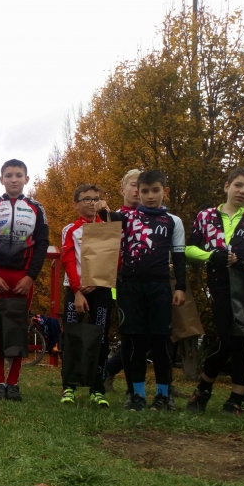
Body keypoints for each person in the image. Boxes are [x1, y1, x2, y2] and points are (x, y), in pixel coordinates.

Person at [98, 170, 186, 411]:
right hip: (129, 287)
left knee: (161, 342)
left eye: (155, 190)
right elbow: (104, 217)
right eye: (144, 191)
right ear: (138, 192)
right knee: (134, 342)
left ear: (164, 191)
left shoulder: (173, 221)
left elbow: (179, 256)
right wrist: (99, 206)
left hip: (159, 286)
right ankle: (136, 395)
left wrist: (181, 287)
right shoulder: (126, 219)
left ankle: (162, 394)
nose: (149, 196)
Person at [186, 166, 244, 414]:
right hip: (219, 286)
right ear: (227, 186)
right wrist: (212, 256)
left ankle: (235, 399)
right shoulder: (205, 216)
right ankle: (203, 389)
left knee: (242, 340)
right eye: (238, 185)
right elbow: (189, 249)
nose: (243, 191)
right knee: (226, 340)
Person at [0, 159, 49, 401]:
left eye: (19, 175)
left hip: (23, 277)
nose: (14, 179)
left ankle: (13, 383)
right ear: (1, 179)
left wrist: (30, 277)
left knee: (18, 326)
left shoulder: (37, 208)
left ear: (27, 179)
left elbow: (42, 245)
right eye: (9, 175)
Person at [59, 184, 114, 407]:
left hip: (101, 290)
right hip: (75, 290)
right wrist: (77, 290)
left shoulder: (108, 227)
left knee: (101, 338)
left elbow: (114, 260)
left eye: (96, 198)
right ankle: (69, 387)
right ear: (76, 205)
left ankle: (97, 388)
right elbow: (68, 260)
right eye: (87, 199)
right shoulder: (70, 229)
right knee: (71, 337)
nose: (92, 203)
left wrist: (96, 281)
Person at [104, 168, 141, 397]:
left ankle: (111, 369)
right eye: (134, 185)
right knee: (130, 331)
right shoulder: (113, 217)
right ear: (122, 189)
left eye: (143, 186)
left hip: (150, 281)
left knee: (153, 333)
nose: (138, 190)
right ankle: (116, 375)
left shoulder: (155, 218)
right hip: (119, 281)